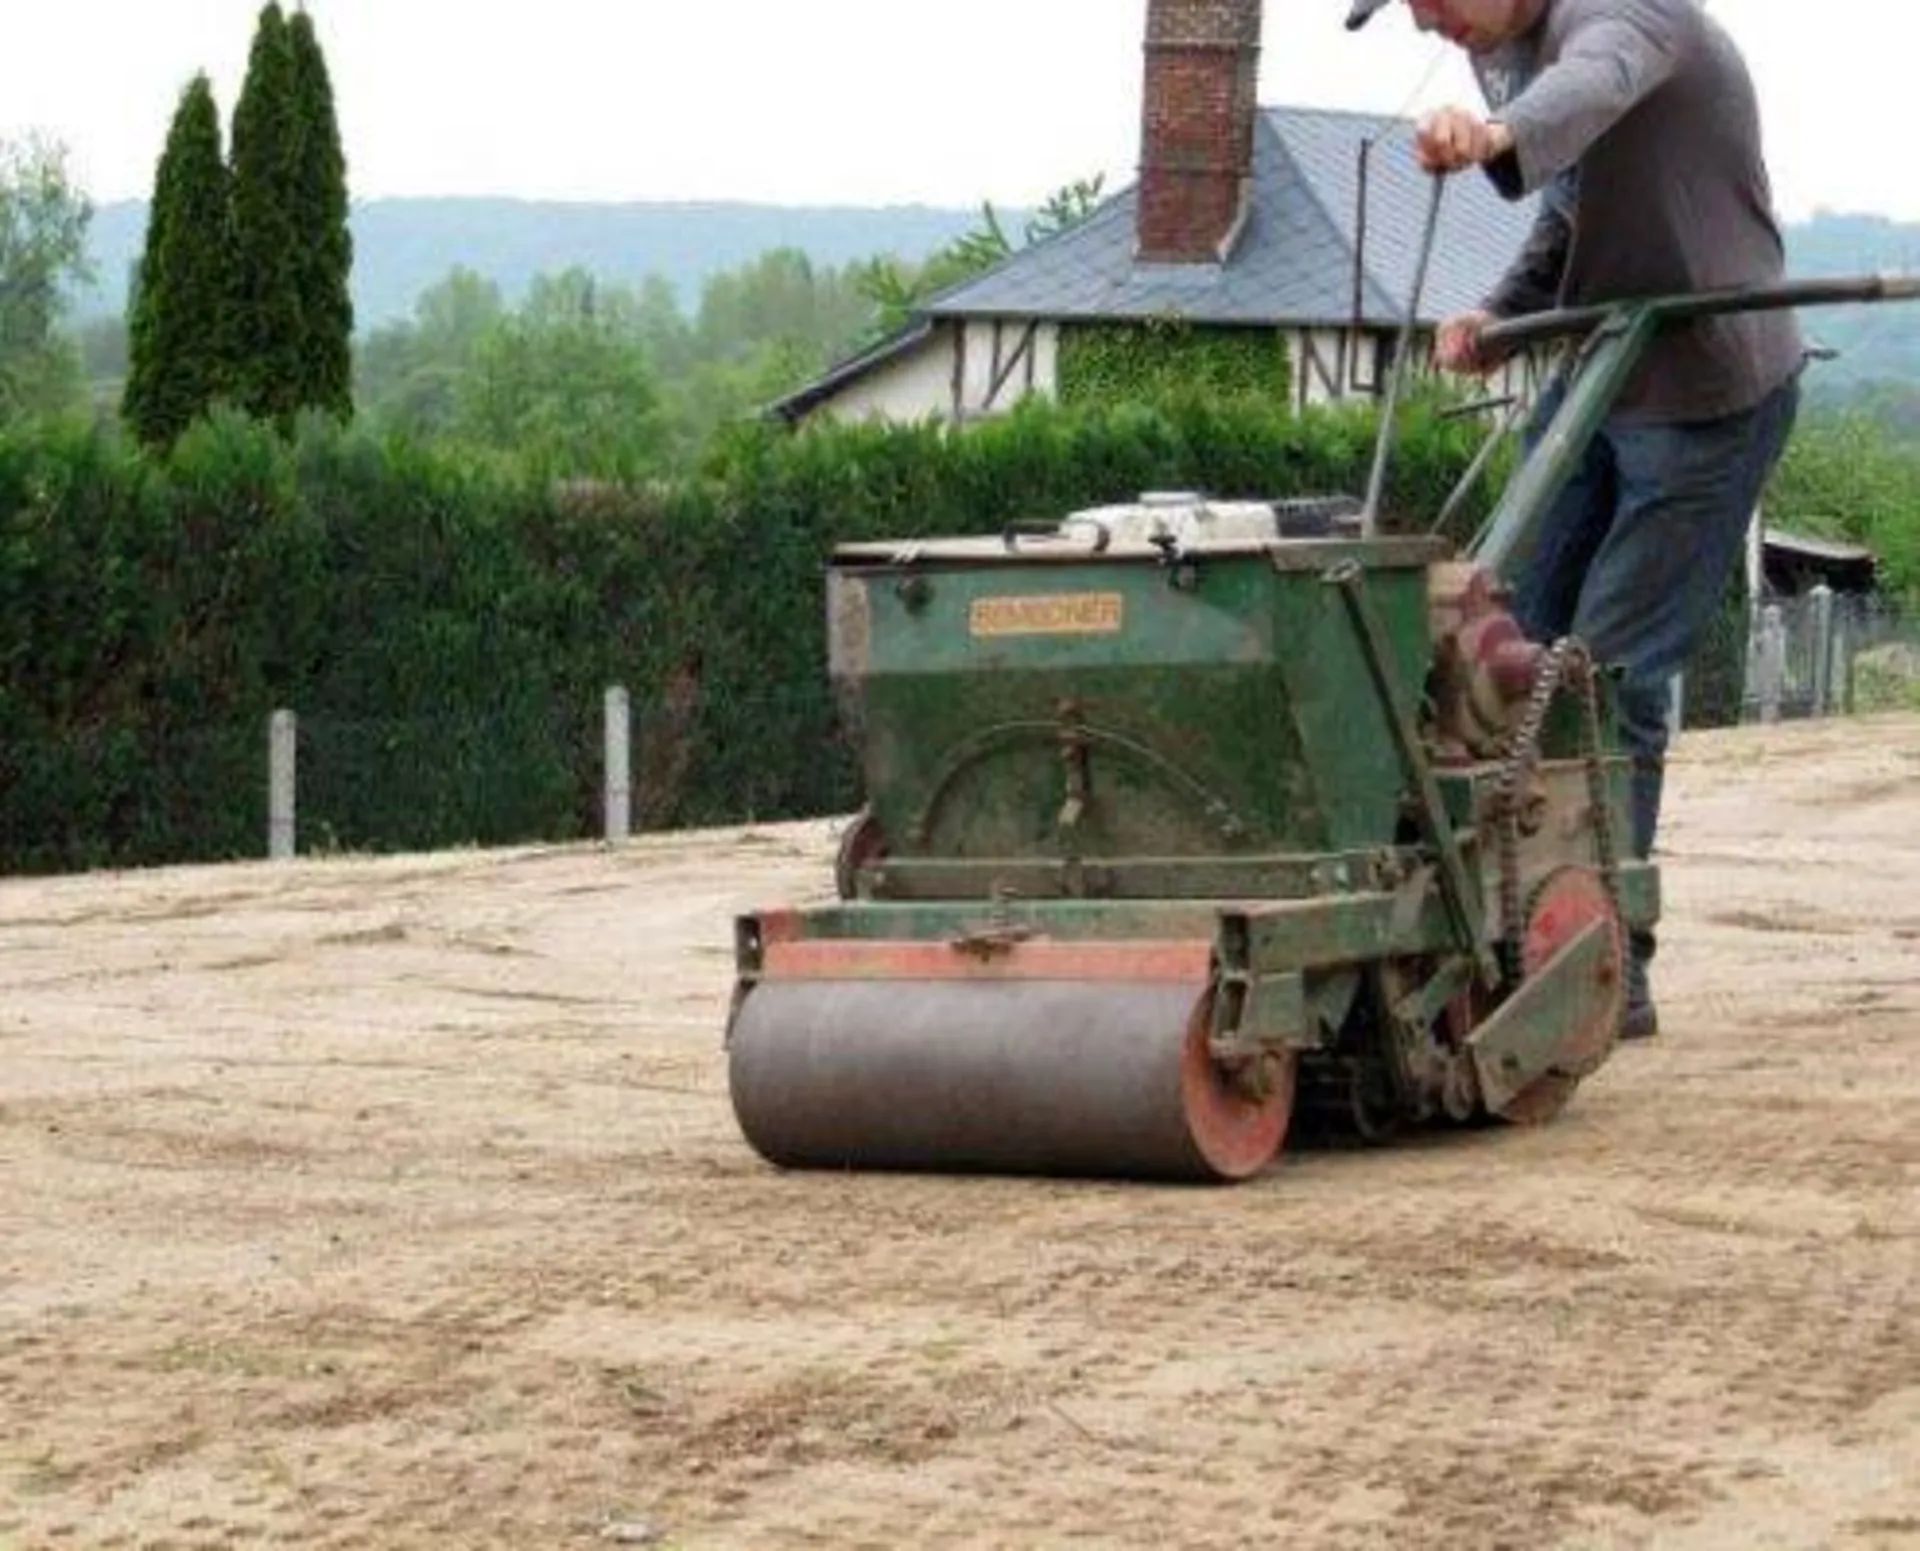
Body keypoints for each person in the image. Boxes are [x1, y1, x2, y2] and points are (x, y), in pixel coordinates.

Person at [1345, 0, 1807, 1041]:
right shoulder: (1499, 45)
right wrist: (1502, 319)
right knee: (1499, 650)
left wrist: (1497, 135)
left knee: (1602, 680)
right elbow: (1571, 215)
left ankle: (1606, 966)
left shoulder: (1626, 13)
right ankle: (1497, 932)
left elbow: (1594, 80)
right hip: (1604, 373)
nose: (1427, 23)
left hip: (1709, 390)